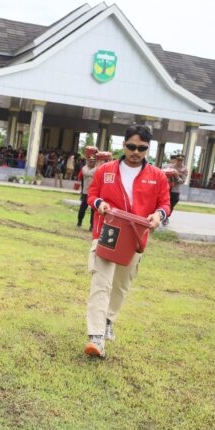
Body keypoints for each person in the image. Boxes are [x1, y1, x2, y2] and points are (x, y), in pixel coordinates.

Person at [84, 125, 170, 358]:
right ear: (123, 145)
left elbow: (165, 204)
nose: (135, 152)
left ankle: (109, 319)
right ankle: (96, 336)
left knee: (121, 284)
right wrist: (99, 204)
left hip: (136, 236)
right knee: (101, 283)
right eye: (131, 146)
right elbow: (92, 195)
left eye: (141, 148)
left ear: (147, 149)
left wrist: (157, 216)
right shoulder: (106, 170)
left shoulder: (157, 176)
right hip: (108, 233)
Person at [161, 152, 188, 225]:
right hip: (166, 188)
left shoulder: (184, 169)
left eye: (181, 160)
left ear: (183, 160)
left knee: (172, 204)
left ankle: (166, 216)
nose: (179, 161)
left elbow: (182, 181)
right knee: (165, 203)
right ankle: (164, 217)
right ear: (176, 160)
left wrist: (176, 176)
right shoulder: (169, 166)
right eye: (178, 160)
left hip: (175, 190)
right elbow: (162, 173)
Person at [76, 155, 97, 229]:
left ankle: (92, 225)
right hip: (85, 192)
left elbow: (91, 173)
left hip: (94, 193)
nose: (91, 163)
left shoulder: (97, 169)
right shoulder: (84, 168)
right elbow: (86, 173)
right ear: (88, 162)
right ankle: (79, 222)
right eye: (90, 161)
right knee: (82, 208)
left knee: (93, 210)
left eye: (93, 162)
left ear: (95, 162)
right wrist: (94, 171)